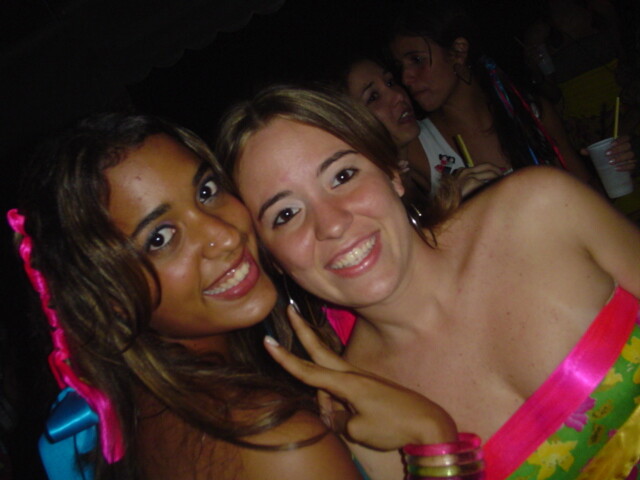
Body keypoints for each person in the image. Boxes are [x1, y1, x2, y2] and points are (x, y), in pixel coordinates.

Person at [8, 112, 468, 480]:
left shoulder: (143, 417)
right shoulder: (276, 443)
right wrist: (433, 441)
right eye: (160, 238)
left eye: (207, 191)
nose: (225, 235)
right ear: (105, 300)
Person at [217, 84, 640, 480]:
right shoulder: (358, 416)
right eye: (286, 215)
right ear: (272, 258)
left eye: (343, 176)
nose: (332, 224)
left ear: (391, 172)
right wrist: (432, 442)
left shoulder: (541, 212)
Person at [387, 0, 636, 193]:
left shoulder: (530, 112)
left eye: (416, 60)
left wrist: (615, 168)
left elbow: (590, 197)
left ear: (458, 52)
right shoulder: (418, 148)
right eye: (401, 67)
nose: (406, 78)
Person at [340, 56, 503, 198]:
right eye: (373, 97)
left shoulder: (428, 150)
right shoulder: (371, 194)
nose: (398, 95)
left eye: (390, 82)